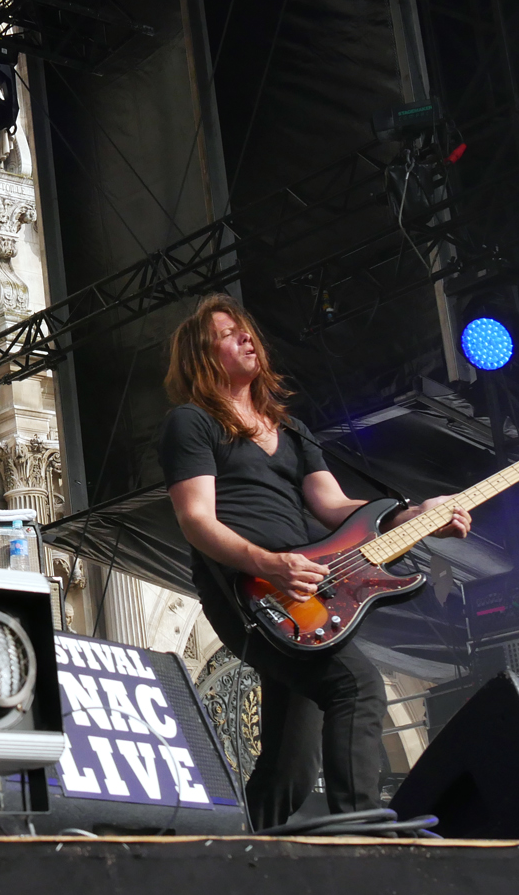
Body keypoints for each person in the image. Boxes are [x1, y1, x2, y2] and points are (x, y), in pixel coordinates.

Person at [159, 293, 470, 829]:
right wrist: (269, 563)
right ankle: (362, 838)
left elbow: (335, 507)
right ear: (202, 358)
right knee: (357, 685)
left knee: (291, 766)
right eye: (228, 334)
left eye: (246, 329)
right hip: (248, 592)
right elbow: (196, 519)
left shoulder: (292, 431)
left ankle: (251, 850)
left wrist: (416, 514)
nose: (246, 337)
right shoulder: (192, 422)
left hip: (305, 592)